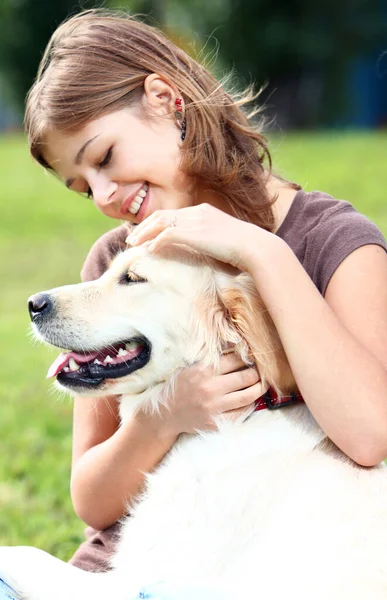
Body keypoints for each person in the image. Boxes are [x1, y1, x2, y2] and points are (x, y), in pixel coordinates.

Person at [24, 8, 387, 576]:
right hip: (124, 566)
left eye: (105, 158)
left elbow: (371, 437)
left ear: (165, 99)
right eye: (81, 186)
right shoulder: (117, 259)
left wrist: (261, 253)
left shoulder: (335, 244)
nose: (102, 194)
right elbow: (93, 503)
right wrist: (162, 418)